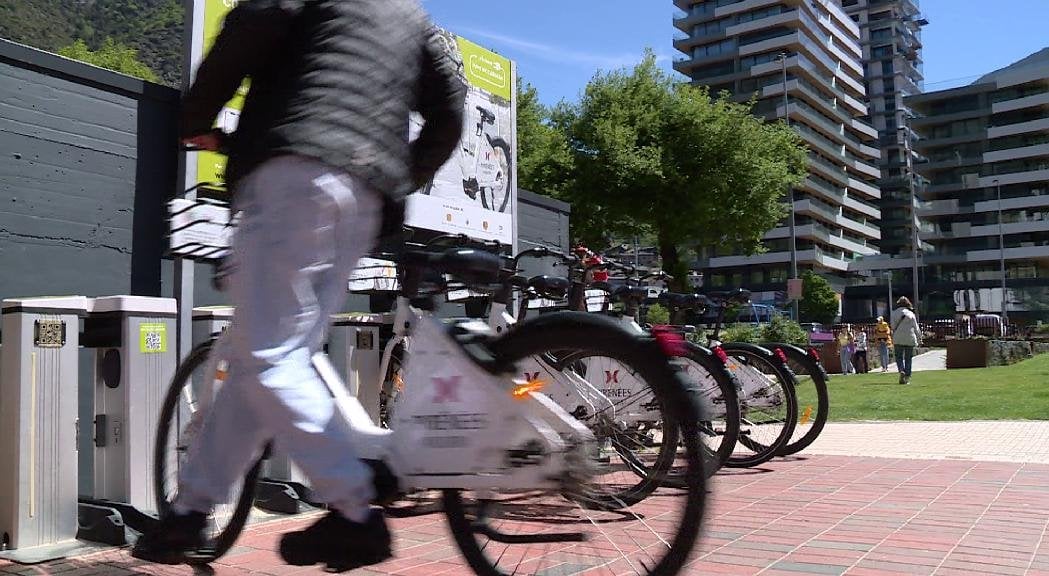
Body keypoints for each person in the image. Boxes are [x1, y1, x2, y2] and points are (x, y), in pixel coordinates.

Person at [131, 0, 466, 571]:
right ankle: (191, 510)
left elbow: (251, 25)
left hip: (295, 172)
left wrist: (195, 122)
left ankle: (355, 507)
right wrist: (406, 173)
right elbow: (451, 109)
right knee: (264, 359)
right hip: (366, 195)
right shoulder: (412, 17)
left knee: (270, 357)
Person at [891, 297, 922, 384]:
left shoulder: (894, 313)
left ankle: (901, 370)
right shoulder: (911, 314)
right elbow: (916, 328)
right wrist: (920, 338)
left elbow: (893, 327)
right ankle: (907, 377)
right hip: (909, 338)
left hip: (898, 338)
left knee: (899, 357)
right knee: (908, 358)